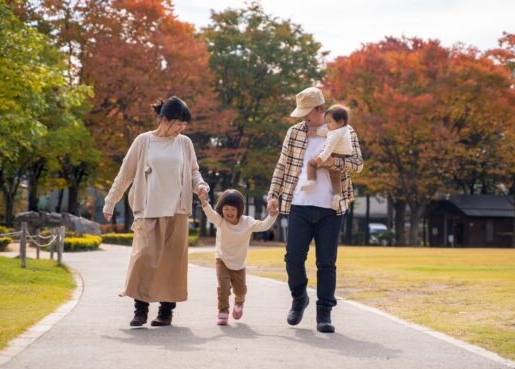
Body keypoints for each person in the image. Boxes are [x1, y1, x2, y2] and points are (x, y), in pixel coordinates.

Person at [103, 96, 209, 327]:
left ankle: (166, 311)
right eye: (178, 124)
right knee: (144, 258)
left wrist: (200, 186)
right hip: (148, 209)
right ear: (165, 119)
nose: (181, 129)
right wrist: (110, 202)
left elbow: (193, 172)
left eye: (184, 125)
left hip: (177, 211)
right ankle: (140, 309)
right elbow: (126, 174)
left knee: (172, 263)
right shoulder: (144, 141)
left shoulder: (184, 143)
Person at [267, 87, 364, 333]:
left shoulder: (344, 131)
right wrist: (273, 194)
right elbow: (282, 164)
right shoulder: (294, 133)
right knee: (293, 259)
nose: (304, 119)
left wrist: (334, 162)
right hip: (299, 203)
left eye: (307, 114)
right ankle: (299, 297)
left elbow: (357, 164)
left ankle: (324, 313)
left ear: (321, 109)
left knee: (327, 263)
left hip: (331, 208)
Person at [199, 189, 278, 325]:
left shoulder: (247, 222)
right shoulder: (221, 221)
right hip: (222, 260)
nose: (229, 212)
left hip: (239, 264)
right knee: (223, 287)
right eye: (226, 209)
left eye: (233, 209)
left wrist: (271, 216)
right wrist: (204, 202)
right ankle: (223, 311)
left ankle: (239, 303)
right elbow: (211, 214)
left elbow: (264, 225)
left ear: (239, 209)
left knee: (240, 291)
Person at [300, 105, 354, 210]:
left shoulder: (335, 135)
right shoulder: (344, 130)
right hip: (341, 157)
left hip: (332, 155)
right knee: (335, 178)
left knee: (311, 163)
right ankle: (337, 196)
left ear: (341, 122)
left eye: (329, 122)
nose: (327, 124)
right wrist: (315, 133)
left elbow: (329, 148)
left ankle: (312, 180)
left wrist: (320, 158)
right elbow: (326, 132)